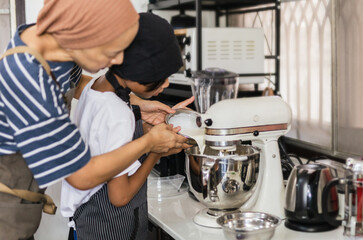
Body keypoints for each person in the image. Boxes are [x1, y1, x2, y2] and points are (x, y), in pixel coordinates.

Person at [0, 1, 188, 239]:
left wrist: (135, 101)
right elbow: (82, 176)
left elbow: (76, 83)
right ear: (85, 35)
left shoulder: (58, 42)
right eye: (113, 49)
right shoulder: (29, 80)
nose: (120, 59)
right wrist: (150, 145)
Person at [61, 12, 193, 240]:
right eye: (160, 77)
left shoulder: (96, 87)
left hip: (86, 223)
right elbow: (119, 197)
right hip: (112, 230)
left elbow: (103, 136)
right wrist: (154, 151)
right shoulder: (118, 113)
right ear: (139, 71)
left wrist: (148, 126)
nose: (166, 83)